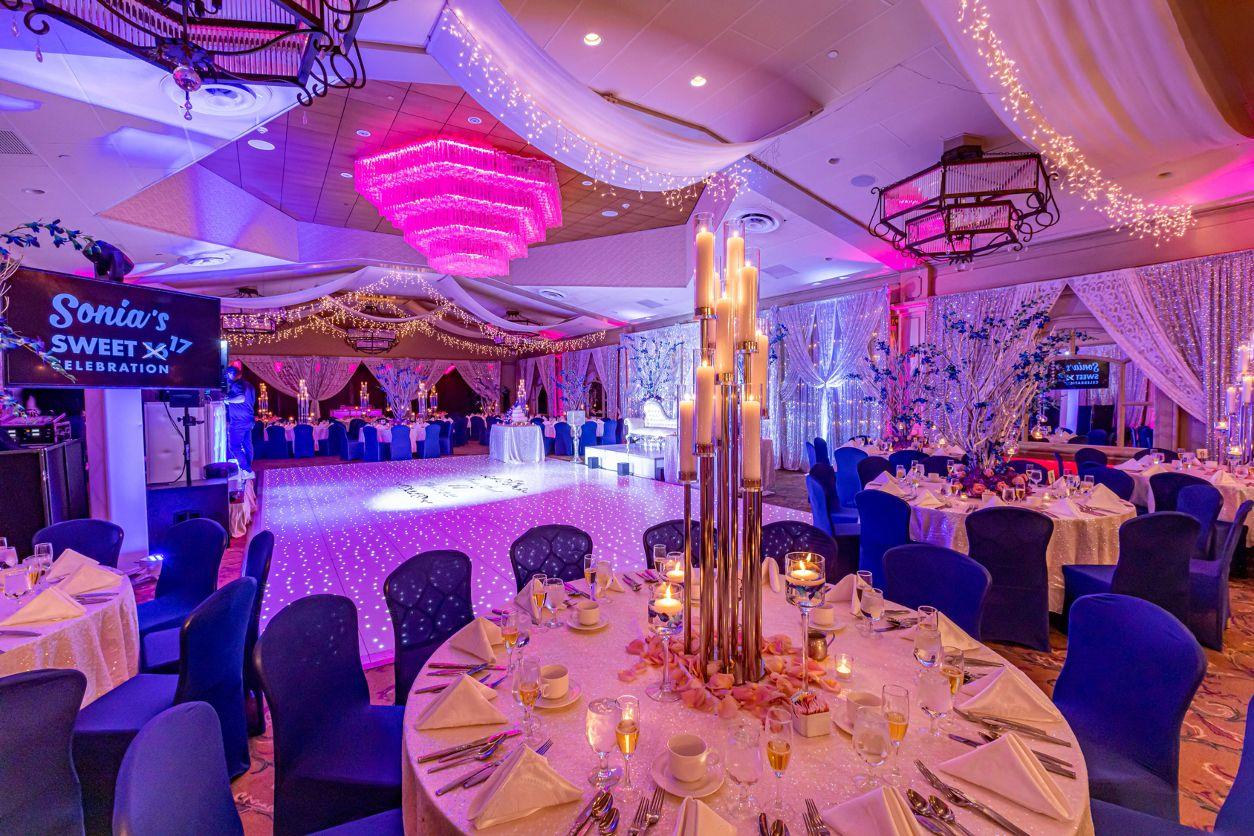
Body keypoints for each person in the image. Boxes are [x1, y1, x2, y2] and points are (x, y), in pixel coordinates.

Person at [223, 363, 256, 474]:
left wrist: (227, 400)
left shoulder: (237, 384)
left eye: (227, 375)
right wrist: (230, 399)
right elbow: (246, 402)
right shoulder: (250, 385)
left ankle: (246, 469)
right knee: (247, 445)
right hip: (249, 419)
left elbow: (241, 398)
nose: (226, 378)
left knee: (234, 446)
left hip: (239, 421)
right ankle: (248, 469)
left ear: (231, 374)